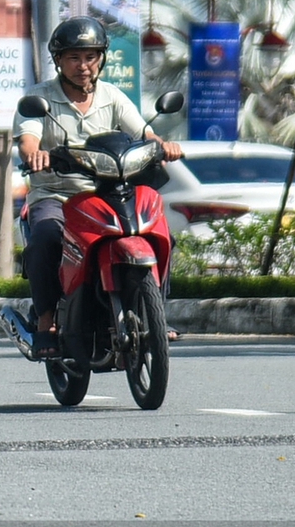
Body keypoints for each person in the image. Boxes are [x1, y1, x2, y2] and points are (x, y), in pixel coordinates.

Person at [13, 17, 185, 353]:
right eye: (74, 58)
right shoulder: (39, 98)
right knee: (47, 237)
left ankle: (155, 313)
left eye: (91, 57)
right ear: (59, 60)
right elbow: (28, 139)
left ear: (102, 59)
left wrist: (163, 146)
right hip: (56, 194)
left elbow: (143, 133)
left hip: (106, 193)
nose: (83, 66)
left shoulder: (113, 97)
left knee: (159, 233)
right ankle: (47, 320)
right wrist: (35, 155)